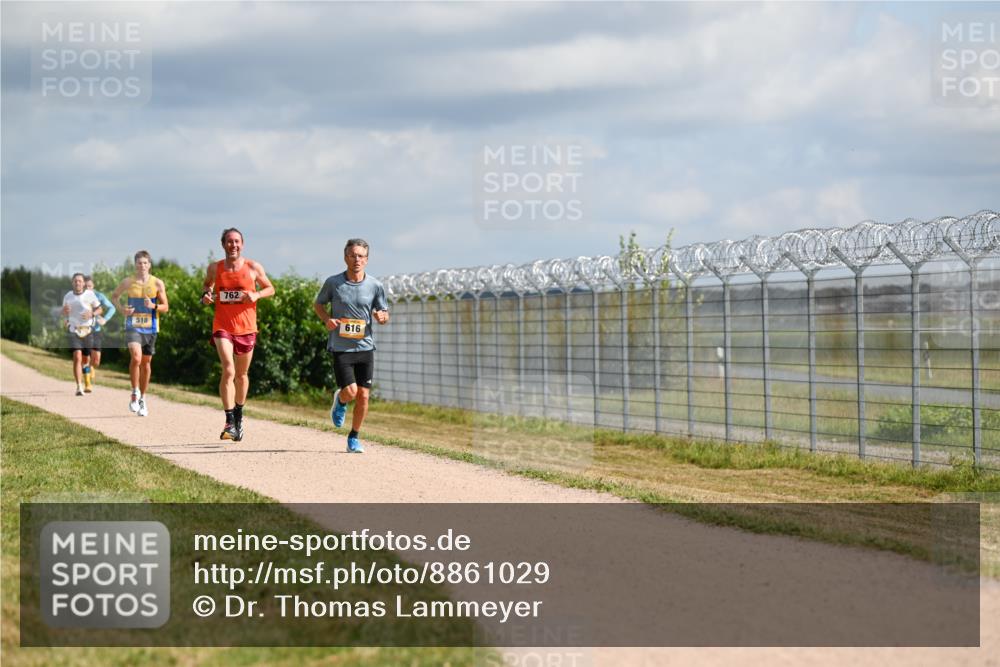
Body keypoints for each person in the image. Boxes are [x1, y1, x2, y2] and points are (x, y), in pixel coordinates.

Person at [313, 238, 389, 453]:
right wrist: (327, 319)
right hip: (341, 347)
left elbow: (383, 311)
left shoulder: (375, 285)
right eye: (353, 255)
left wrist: (382, 317)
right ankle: (341, 400)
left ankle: (354, 437)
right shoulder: (334, 283)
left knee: (364, 395)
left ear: (367, 259)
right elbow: (318, 304)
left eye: (361, 256)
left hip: (365, 347)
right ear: (345, 257)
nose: (357, 259)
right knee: (351, 391)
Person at [201, 228, 275, 442]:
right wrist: (206, 296)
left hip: (247, 327)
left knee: (242, 375)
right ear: (223, 244)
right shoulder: (215, 268)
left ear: (242, 244)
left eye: (237, 242)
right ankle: (229, 421)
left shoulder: (253, 267)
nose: (233, 245)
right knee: (228, 369)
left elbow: (270, 288)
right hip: (222, 326)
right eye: (229, 242)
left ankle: (239, 416)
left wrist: (256, 294)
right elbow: (207, 286)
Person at [111, 251, 169, 417]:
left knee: (146, 363)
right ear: (135, 265)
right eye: (139, 263)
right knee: (136, 358)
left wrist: (154, 306)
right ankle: (134, 393)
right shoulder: (128, 282)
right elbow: (114, 297)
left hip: (151, 328)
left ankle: (143, 398)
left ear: (149, 265)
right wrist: (122, 309)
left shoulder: (157, 283)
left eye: (145, 263)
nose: (142, 266)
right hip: (133, 326)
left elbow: (166, 306)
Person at [61, 273, 102, 396]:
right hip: (74, 330)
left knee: (86, 359)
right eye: (75, 281)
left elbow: (100, 309)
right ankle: (79, 386)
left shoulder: (90, 295)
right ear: (72, 283)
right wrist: (64, 313)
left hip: (88, 330)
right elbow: (64, 313)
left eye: (79, 281)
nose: (77, 283)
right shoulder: (68, 296)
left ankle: (87, 380)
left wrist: (92, 314)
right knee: (77, 357)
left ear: (83, 283)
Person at [82, 275, 117, 392]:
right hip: (84, 330)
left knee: (96, 360)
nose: (87, 289)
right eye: (85, 287)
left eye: (89, 286)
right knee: (85, 358)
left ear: (93, 287)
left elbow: (112, 308)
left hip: (96, 330)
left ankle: (92, 367)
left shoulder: (99, 296)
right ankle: (87, 384)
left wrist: (105, 319)